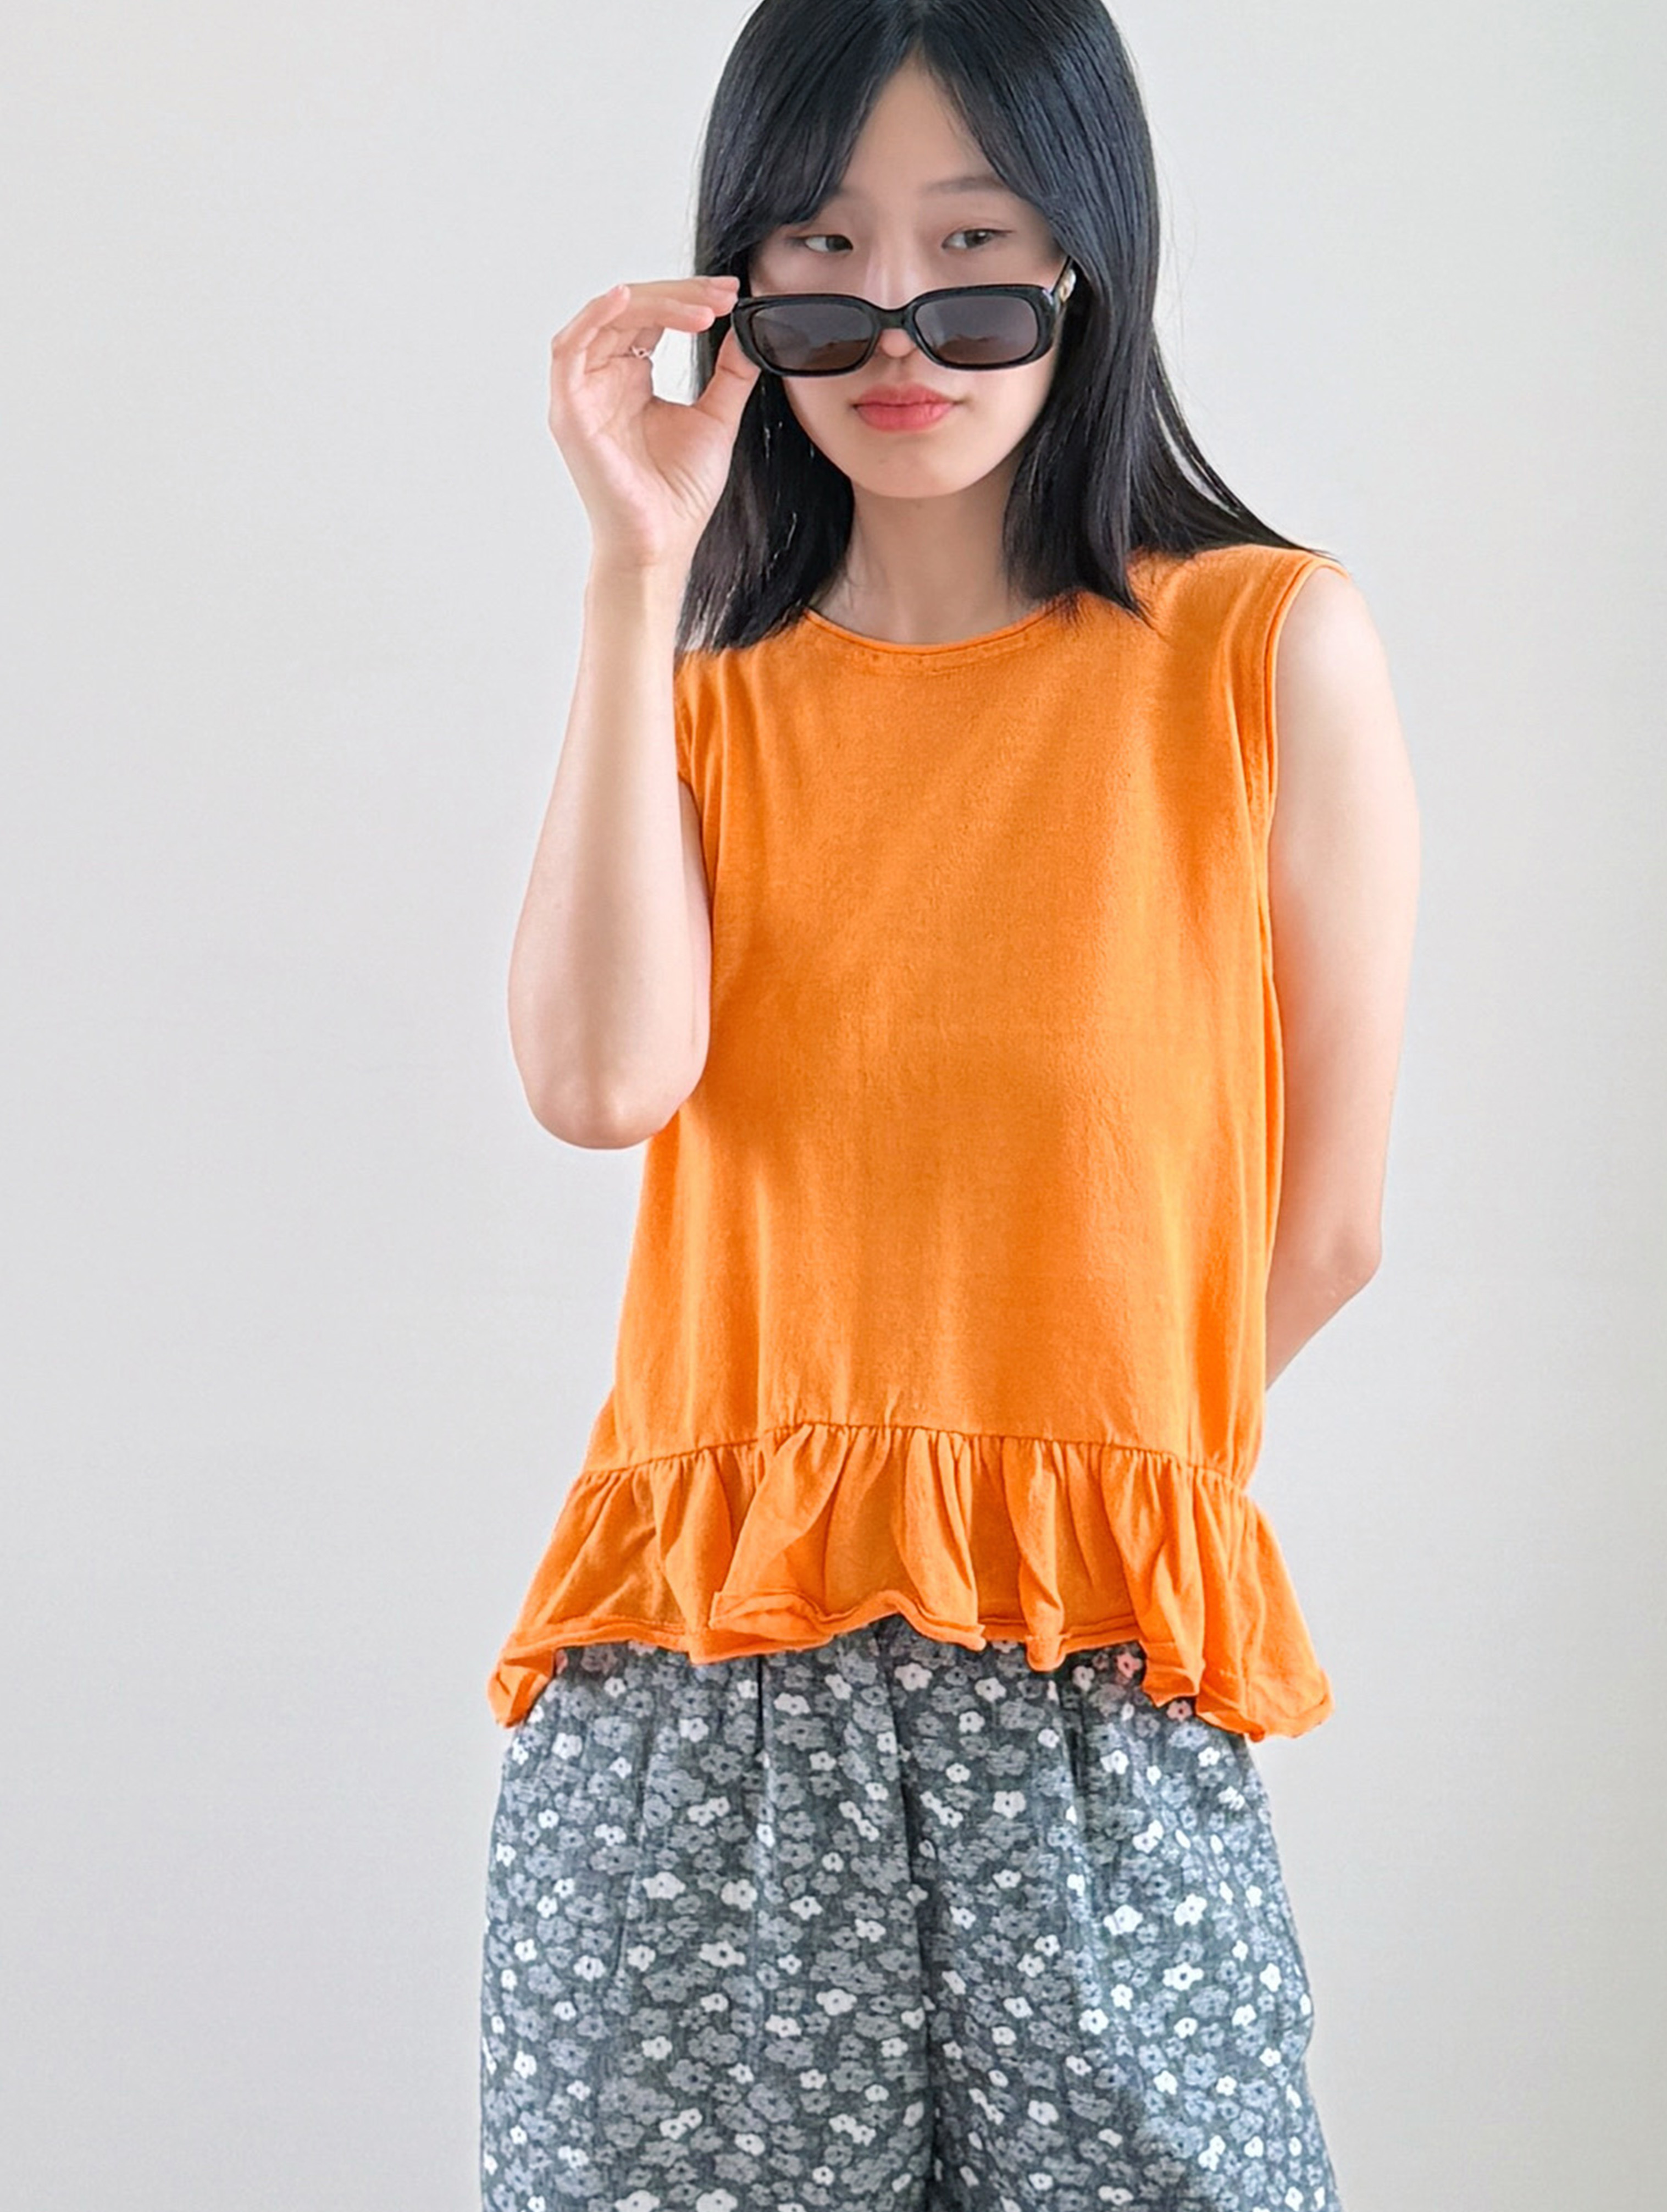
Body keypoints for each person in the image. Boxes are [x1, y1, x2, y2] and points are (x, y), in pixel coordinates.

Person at [479, 2, 1419, 2207]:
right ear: (738, 290)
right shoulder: (706, 693)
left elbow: (1328, 1224)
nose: (899, 327)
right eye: (822, 254)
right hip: (709, 1680)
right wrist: (634, 568)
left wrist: (1037, 1473)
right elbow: (601, 1082)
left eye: (975, 250)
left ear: (1089, 257)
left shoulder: (1263, 650)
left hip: (1093, 1665)